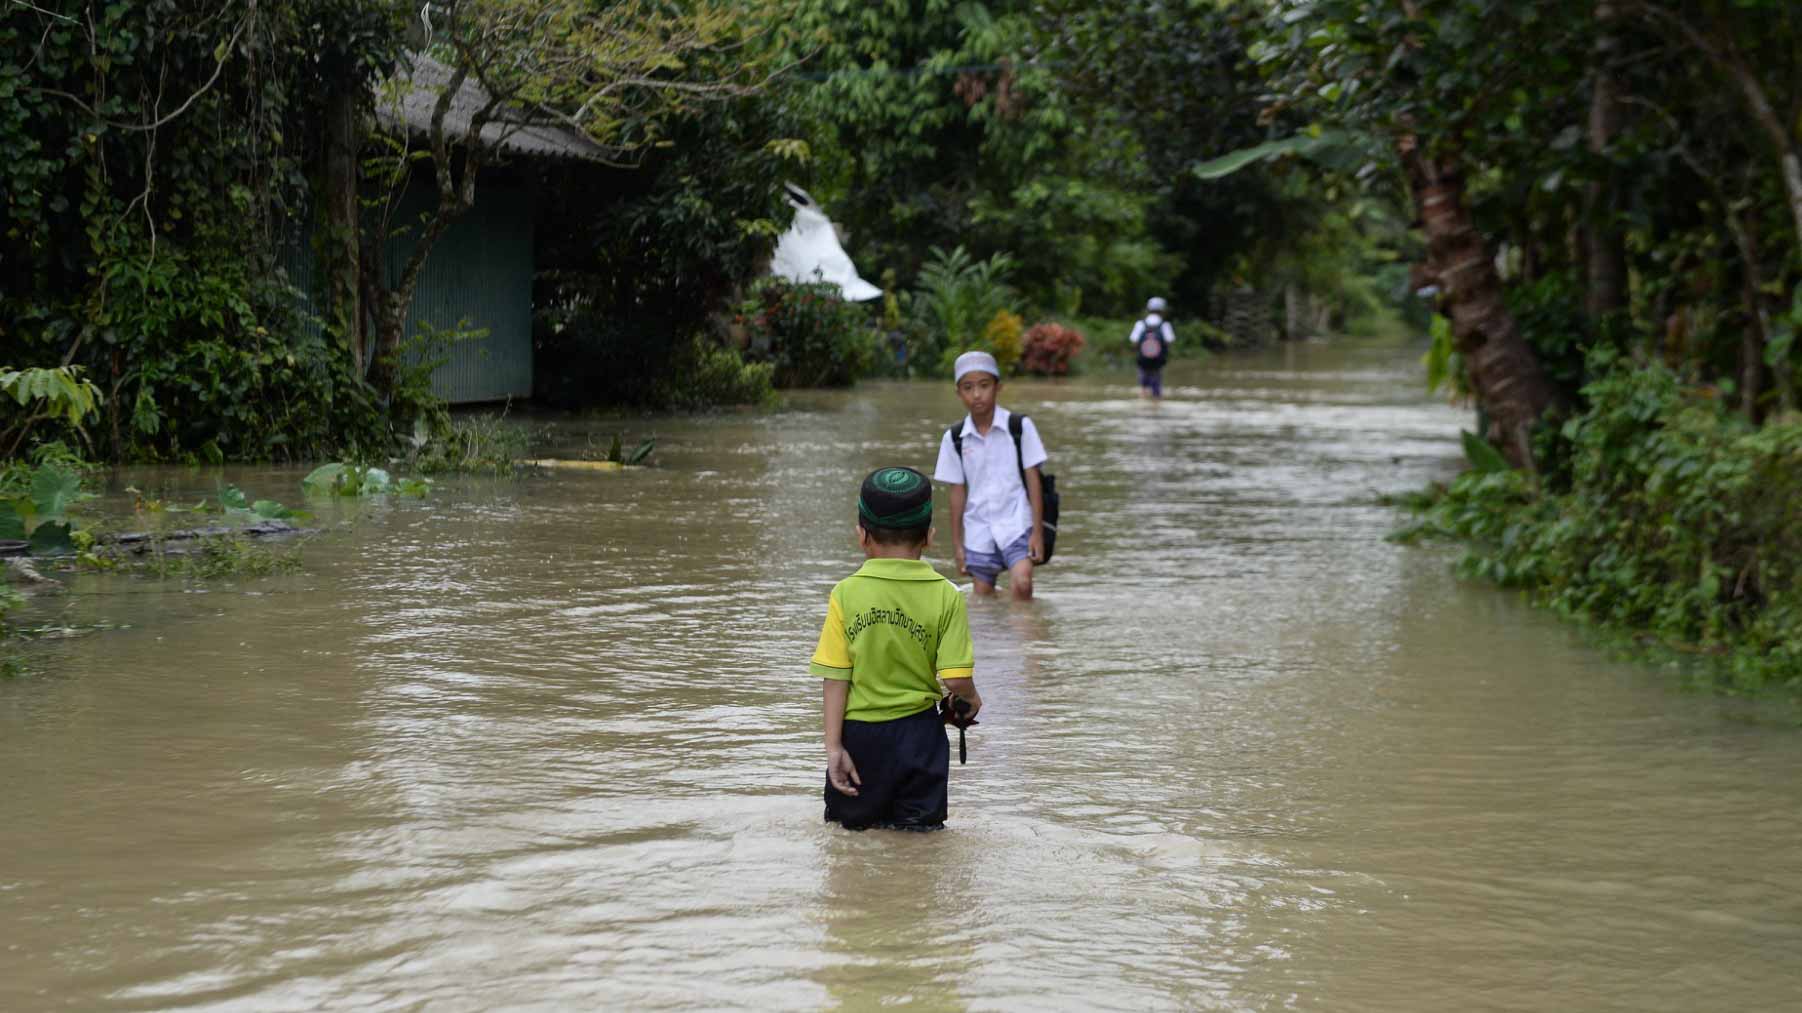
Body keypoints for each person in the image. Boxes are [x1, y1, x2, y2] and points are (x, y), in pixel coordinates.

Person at [811, 466, 981, 831]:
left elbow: (835, 677)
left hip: (859, 738)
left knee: (850, 843)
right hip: (920, 737)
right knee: (921, 843)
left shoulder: (845, 593)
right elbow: (956, 678)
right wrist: (972, 700)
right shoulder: (946, 595)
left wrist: (833, 749)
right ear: (930, 536)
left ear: (862, 535)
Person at [932, 351, 1048, 600]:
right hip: (978, 527)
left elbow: (1033, 479)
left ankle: (1028, 640)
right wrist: (958, 546)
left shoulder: (1019, 427)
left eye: (984, 385)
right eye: (968, 387)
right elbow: (956, 492)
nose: (976, 394)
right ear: (958, 393)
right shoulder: (954, 438)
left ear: (998, 387)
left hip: (1018, 521)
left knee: (1023, 583)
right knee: (983, 599)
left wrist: (1037, 532)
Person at [1127, 296, 1176, 398]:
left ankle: (1143, 403)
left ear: (1148, 309)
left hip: (1142, 361)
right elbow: (1170, 341)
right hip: (1158, 361)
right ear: (1162, 310)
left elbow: (1133, 341)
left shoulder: (1140, 324)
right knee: (1157, 387)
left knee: (1143, 386)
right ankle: (1156, 404)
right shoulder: (1165, 325)